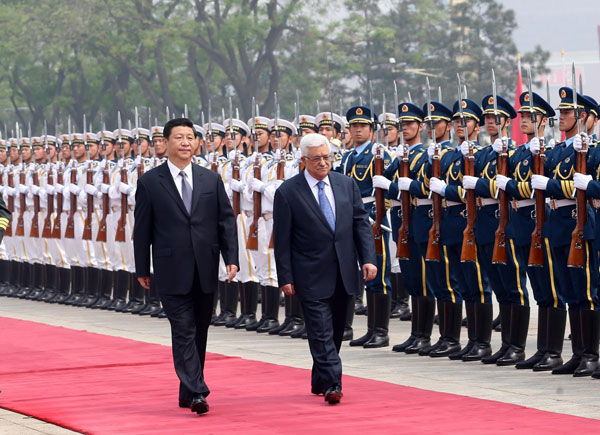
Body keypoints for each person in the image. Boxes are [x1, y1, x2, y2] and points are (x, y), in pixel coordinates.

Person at [133, 117, 239, 415]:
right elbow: (142, 229)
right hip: (170, 268)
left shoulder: (210, 179)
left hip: (205, 267)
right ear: (165, 144)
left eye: (190, 137)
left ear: (196, 143)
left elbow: (225, 222)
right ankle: (197, 391)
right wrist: (142, 267)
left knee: (200, 330)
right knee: (183, 329)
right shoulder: (150, 182)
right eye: (178, 137)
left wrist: (231, 258)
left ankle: (187, 389)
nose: (185, 142)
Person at [273, 133, 377, 405]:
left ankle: (321, 378)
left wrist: (368, 258)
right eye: (316, 158)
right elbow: (281, 239)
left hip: (344, 270)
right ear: (304, 160)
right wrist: (285, 276)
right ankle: (333, 383)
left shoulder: (345, 184)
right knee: (319, 330)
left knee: (336, 331)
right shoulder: (288, 192)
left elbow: (360, 223)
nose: (323, 162)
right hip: (309, 273)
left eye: (327, 157)